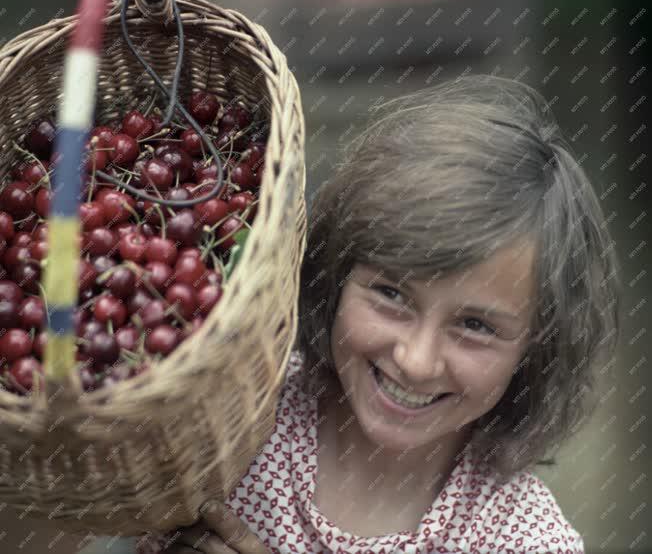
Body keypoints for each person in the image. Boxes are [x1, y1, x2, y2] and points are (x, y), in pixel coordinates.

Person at [143, 74, 620, 553]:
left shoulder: (525, 541)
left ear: (535, 348)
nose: (415, 360)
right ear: (337, 272)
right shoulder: (237, 415)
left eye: (475, 326)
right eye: (392, 295)